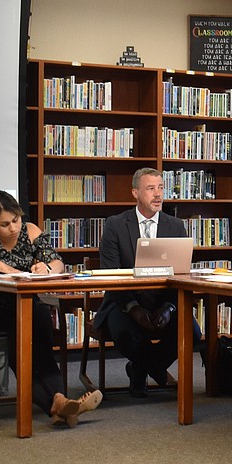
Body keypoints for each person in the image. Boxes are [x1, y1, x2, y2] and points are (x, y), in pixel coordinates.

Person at [0, 190, 102, 427]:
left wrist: (47, 268)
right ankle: (61, 404)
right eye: (4, 224)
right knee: (19, 357)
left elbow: (57, 261)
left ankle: (59, 403)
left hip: (29, 306)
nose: (12, 228)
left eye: (15, 220)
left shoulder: (31, 232)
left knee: (42, 352)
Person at [95, 167, 187, 398]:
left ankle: (140, 367)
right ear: (135, 193)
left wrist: (169, 307)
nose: (158, 194)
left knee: (191, 332)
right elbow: (110, 274)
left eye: (161, 188)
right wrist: (133, 308)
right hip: (123, 301)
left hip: (162, 300)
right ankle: (151, 368)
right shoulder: (115, 225)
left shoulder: (176, 226)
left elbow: (181, 274)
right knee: (126, 334)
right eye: (150, 188)